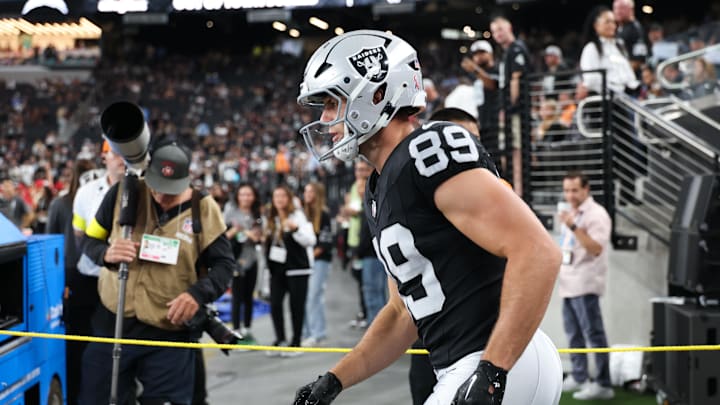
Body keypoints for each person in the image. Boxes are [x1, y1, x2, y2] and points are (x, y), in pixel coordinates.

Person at [294, 29, 563, 405]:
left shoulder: (427, 150)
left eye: (331, 102)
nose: (325, 119)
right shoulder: (379, 187)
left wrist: (492, 370)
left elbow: (537, 251)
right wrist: (336, 380)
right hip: (471, 363)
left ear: (375, 94)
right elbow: (402, 313)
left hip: (492, 358)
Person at [78, 139, 234, 405]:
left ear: (187, 181)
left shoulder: (204, 208)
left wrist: (197, 295)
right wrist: (105, 253)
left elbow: (224, 266)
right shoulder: (122, 194)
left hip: (168, 330)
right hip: (114, 323)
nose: (161, 197)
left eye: (170, 191)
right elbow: (89, 240)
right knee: (96, 397)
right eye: (156, 188)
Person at [557, 171, 614, 401]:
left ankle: (603, 383)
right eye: (567, 190)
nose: (570, 195)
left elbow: (596, 248)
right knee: (574, 335)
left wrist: (572, 227)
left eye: (574, 190)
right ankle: (580, 376)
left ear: (586, 189)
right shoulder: (571, 212)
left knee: (594, 335)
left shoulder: (596, 214)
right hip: (568, 281)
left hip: (586, 283)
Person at [45, 159, 96, 405]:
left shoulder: (63, 204)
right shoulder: (67, 204)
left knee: (76, 344)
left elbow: (49, 242)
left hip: (72, 281)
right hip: (81, 279)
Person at [264, 184, 316, 355]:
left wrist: (295, 230)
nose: (279, 199)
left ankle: (295, 343)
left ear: (289, 198)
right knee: (275, 304)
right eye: (276, 196)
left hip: (297, 269)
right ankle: (280, 340)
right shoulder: (270, 218)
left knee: (296, 307)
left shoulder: (298, 216)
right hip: (277, 271)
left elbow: (310, 240)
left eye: (282, 196)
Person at [490, 16, 532, 197]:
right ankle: (514, 191)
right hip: (507, 111)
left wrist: (510, 106)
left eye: (500, 29)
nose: (497, 34)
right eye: (494, 31)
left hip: (515, 112)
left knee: (516, 152)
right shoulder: (505, 52)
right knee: (509, 151)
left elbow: (516, 79)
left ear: (509, 28)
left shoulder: (516, 49)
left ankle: (519, 194)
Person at [223, 182, 263, 343]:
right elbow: (223, 236)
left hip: (252, 258)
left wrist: (250, 233)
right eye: (243, 194)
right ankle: (236, 330)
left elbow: (259, 236)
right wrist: (236, 230)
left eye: (249, 194)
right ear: (238, 196)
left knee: (249, 295)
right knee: (236, 296)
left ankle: (247, 328)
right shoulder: (230, 211)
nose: (246, 198)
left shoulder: (257, 213)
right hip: (236, 259)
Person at [302, 181, 334, 347]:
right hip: (306, 262)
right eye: (305, 191)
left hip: (320, 261)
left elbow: (325, 243)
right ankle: (308, 332)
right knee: (307, 297)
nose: (307, 194)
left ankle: (317, 332)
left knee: (314, 296)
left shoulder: (324, 214)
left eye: (310, 191)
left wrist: (308, 256)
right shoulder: (303, 213)